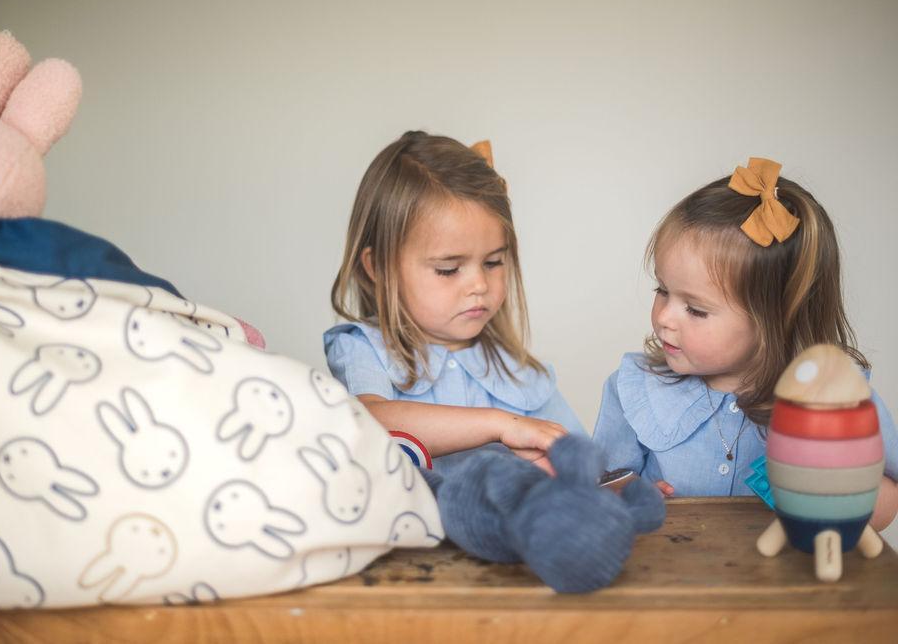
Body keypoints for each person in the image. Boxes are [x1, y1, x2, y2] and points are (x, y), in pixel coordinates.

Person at [593, 157, 898, 531]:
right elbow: (599, 487)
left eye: (696, 309)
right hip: (672, 581)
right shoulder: (635, 389)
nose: (664, 318)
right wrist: (628, 499)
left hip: (789, 586)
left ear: (776, 319)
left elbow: (885, 508)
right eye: (662, 290)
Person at [325, 130, 584, 473]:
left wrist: (615, 484)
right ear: (379, 268)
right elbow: (369, 422)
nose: (479, 284)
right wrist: (499, 424)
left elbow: (578, 459)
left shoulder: (518, 371)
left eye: (493, 262)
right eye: (448, 270)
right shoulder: (363, 350)